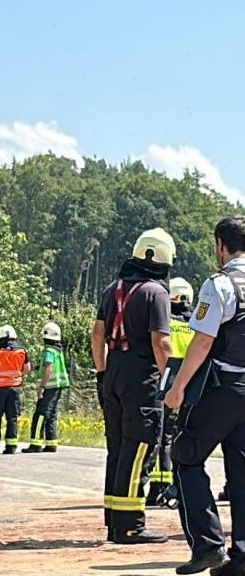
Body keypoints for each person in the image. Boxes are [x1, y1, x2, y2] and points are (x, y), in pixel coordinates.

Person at [165, 216, 245, 576]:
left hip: (223, 388)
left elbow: (203, 339)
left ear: (220, 245)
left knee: (185, 454)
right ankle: (242, 556)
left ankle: (208, 546)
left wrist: (178, 387)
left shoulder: (220, 284)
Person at [92, 227, 175, 544]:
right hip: (142, 379)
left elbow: (98, 335)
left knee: (118, 448)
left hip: (113, 372)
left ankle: (114, 520)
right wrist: (172, 386)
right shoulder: (156, 293)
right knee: (140, 448)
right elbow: (161, 343)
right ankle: (130, 525)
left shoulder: (112, 289)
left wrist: (102, 374)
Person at [147, 278, 195, 506]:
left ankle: (160, 487)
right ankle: (180, 487)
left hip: (169, 386)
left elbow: (159, 348)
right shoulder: (197, 324)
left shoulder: (168, 322)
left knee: (163, 437)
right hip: (194, 389)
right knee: (184, 436)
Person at [0, 325, 29, 454]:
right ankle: (11, 446)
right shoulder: (21, 351)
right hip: (14, 388)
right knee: (12, 417)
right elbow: (27, 369)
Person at [25, 320, 70, 452]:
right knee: (52, 414)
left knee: (40, 413)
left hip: (49, 386)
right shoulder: (58, 351)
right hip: (58, 386)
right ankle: (51, 443)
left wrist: (42, 387)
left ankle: (36, 443)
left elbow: (49, 368)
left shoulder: (49, 351)